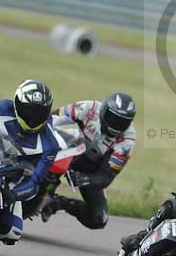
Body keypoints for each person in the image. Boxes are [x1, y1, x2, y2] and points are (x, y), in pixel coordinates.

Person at [0, 79, 59, 244]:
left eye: (39, 113)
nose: (33, 118)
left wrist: (13, 194)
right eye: (29, 111)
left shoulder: (50, 144)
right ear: (17, 104)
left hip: (2, 178)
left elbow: (34, 181)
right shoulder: (2, 107)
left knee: (11, 231)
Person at [41, 92, 136, 230]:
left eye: (123, 122)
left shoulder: (127, 140)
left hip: (90, 169)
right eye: (113, 118)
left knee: (99, 218)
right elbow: (52, 119)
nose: (116, 125)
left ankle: (58, 203)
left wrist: (83, 179)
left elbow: (106, 177)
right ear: (103, 110)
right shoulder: (88, 108)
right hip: (64, 151)